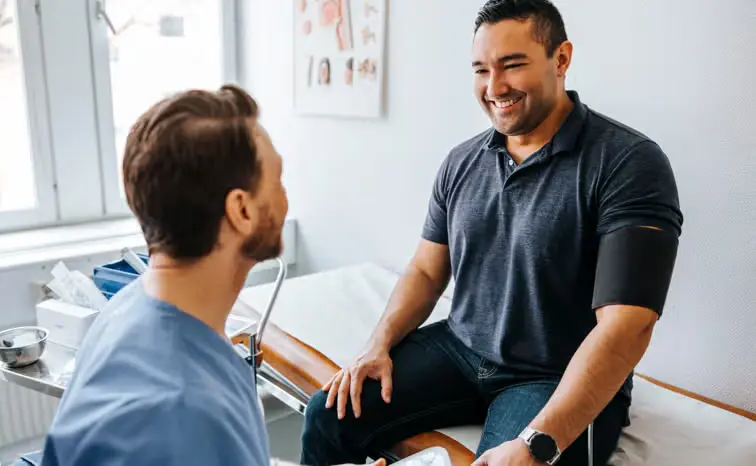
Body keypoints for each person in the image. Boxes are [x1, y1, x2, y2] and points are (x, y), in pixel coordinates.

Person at [301, 1, 682, 466]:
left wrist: (537, 443)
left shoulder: (628, 163)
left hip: (552, 375)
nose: (494, 87)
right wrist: (376, 345)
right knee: (327, 413)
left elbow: (629, 324)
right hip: (460, 349)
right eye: (481, 69)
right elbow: (425, 269)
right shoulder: (462, 162)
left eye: (513, 65)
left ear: (561, 59)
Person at [39, 85, 384, 466]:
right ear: (241, 210)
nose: (285, 198)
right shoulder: (184, 412)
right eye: (278, 179)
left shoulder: (131, 307)